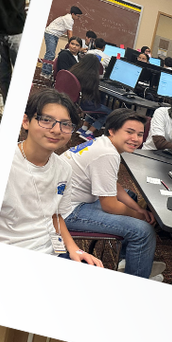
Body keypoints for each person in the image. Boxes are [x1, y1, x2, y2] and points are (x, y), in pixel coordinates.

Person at [0, 88, 103, 267]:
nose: (56, 130)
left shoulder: (63, 169)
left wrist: (74, 248)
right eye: (46, 120)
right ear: (26, 121)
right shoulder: (3, 163)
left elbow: (56, 215)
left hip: (52, 250)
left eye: (66, 124)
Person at [61, 109, 161, 279]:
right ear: (112, 131)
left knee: (131, 196)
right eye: (129, 132)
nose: (136, 139)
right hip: (67, 212)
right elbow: (110, 205)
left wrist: (137, 208)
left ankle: (127, 261)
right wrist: (140, 216)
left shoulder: (103, 143)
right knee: (143, 232)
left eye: (140, 134)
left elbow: (112, 185)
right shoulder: (107, 154)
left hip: (72, 199)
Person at [68, 54, 111, 138]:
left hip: (73, 101)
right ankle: (89, 133)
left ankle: (84, 127)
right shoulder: (91, 78)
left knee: (95, 105)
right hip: (83, 104)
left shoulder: (74, 70)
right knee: (109, 113)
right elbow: (93, 95)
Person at [42, 5, 83, 77]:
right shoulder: (69, 19)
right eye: (78, 16)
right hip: (51, 33)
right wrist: (72, 43)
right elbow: (70, 33)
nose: (78, 18)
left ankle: (45, 71)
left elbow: (68, 33)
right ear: (73, 14)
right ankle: (46, 72)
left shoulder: (70, 18)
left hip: (55, 35)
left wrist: (70, 43)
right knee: (51, 53)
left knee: (50, 53)